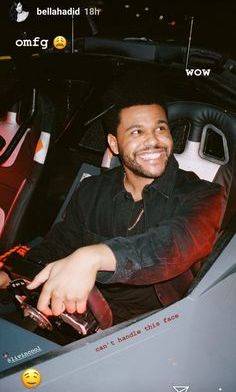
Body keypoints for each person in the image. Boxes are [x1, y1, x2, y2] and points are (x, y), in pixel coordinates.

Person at [0, 73, 225, 325]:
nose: (153, 140)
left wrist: (95, 256)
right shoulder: (91, 190)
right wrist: (13, 270)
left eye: (160, 128)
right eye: (137, 132)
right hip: (82, 312)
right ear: (114, 144)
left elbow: (172, 245)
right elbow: (60, 244)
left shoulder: (205, 195)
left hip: (158, 326)